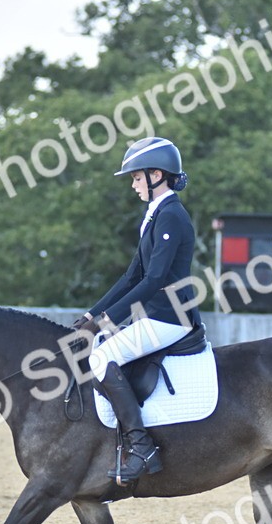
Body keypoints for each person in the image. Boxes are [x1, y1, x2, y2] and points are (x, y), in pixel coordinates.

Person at [72, 137, 202, 484]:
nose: (132, 185)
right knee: (99, 346)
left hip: (170, 316)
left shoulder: (171, 215)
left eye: (135, 178)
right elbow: (133, 276)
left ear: (156, 174)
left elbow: (156, 278)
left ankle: (141, 447)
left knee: (100, 359)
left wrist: (109, 319)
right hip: (156, 314)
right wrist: (91, 316)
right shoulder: (155, 214)